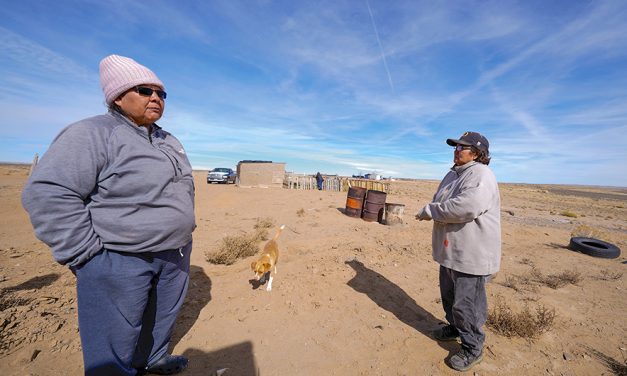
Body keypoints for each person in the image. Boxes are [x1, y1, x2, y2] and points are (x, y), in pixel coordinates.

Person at [22, 55, 196, 376]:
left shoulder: (168, 140)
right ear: (118, 96)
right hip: (119, 258)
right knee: (113, 340)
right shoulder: (91, 133)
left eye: (161, 93)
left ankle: (153, 358)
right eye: (144, 90)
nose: (156, 98)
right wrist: (87, 256)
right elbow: (48, 193)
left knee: (160, 317)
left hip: (175, 254)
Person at [415, 131, 501, 372]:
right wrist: (435, 208)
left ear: (476, 153)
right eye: (455, 146)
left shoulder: (481, 174)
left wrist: (431, 211)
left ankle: (473, 347)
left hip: (471, 255)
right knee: (450, 298)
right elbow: (442, 201)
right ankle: (454, 328)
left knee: (467, 305)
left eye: (462, 147)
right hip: (452, 252)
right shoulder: (453, 173)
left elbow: (467, 207)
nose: (456, 150)